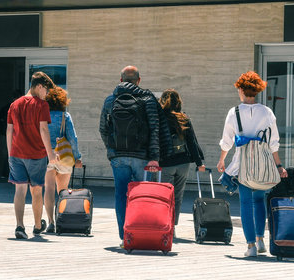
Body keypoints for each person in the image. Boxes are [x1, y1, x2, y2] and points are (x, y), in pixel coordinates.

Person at [216, 71, 288, 257]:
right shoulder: (267, 112)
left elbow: (227, 140)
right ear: (256, 90)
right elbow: (274, 142)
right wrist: (279, 166)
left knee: (245, 202)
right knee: (259, 200)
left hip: (243, 166)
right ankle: (260, 239)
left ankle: (251, 247)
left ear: (241, 90)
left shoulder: (234, 112)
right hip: (263, 164)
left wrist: (222, 159)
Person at [99, 65, 172, 247]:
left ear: (121, 79)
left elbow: (103, 128)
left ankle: (125, 237)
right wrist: (155, 156)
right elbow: (155, 128)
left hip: (118, 157)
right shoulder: (148, 99)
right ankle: (141, 233)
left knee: (121, 195)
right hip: (142, 157)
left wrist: (112, 149)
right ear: (139, 80)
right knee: (142, 197)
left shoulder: (110, 100)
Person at [6, 71, 58, 239]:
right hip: (36, 154)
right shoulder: (41, 105)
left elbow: (9, 131)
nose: (47, 95)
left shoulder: (14, 104)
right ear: (39, 86)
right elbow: (43, 129)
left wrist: (10, 154)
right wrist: (50, 154)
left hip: (16, 154)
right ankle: (37, 226)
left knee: (19, 189)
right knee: (36, 190)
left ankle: (19, 227)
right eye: (46, 91)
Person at [159, 89, 206, 233]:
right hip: (183, 163)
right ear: (178, 102)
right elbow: (191, 142)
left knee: (164, 196)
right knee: (177, 196)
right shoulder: (183, 118)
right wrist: (199, 163)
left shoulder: (160, 118)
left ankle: (164, 223)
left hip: (166, 163)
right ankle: (172, 225)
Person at [44, 86, 83, 233]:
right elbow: (73, 139)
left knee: (48, 188)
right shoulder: (64, 116)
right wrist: (77, 157)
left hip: (47, 155)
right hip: (64, 156)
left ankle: (50, 222)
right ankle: (62, 219)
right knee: (63, 191)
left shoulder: (43, 116)